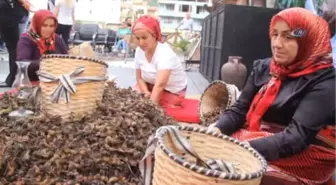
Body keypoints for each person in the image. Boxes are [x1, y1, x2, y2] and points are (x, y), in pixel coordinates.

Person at [210, 8, 336, 184]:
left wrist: (244, 149)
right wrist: (216, 129)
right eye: (275, 34)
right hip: (263, 138)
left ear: (308, 41)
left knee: (233, 174)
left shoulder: (325, 83)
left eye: (288, 37)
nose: (277, 43)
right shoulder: (265, 69)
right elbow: (239, 110)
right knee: (212, 147)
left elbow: (296, 138)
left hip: (306, 152)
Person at [132, 15, 188, 108]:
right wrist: (145, 92)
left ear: (154, 36)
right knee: (133, 95)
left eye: (144, 38)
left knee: (142, 104)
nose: (141, 43)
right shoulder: (139, 51)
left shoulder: (164, 53)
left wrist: (151, 108)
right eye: (138, 38)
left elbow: (160, 85)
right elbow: (139, 78)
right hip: (150, 86)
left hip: (171, 91)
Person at [17, 9, 68, 81]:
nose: (48, 29)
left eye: (51, 26)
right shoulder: (27, 39)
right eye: (44, 25)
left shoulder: (56, 38)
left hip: (56, 80)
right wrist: (46, 63)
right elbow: (22, 63)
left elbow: (66, 58)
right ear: (37, 24)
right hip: (33, 80)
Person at [0, 0, 30, 87]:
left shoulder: (8, 3)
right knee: (14, 52)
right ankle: (13, 77)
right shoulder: (15, 4)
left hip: (11, 29)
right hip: (12, 27)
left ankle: (12, 78)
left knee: (14, 52)